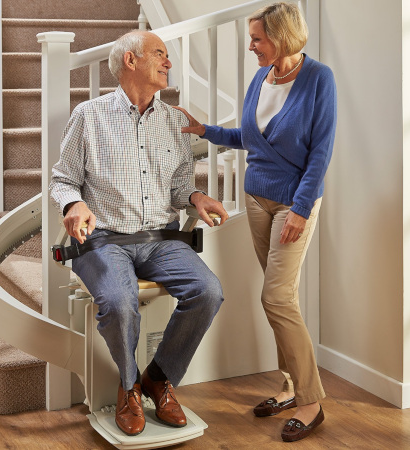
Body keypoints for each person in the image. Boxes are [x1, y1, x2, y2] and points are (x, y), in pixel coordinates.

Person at [49, 30, 229, 437]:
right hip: (104, 239)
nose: (168, 63)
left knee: (208, 291)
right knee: (118, 300)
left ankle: (159, 378)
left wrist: (197, 197)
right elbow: (62, 180)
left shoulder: (174, 121)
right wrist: (73, 204)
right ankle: (129, 385)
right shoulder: (89, 116)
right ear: (131, 61)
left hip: (159, 240)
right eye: (159, 55)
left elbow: (182, 182)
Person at [176, 2, 336, 443]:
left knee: (276, 298)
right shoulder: (260, 79)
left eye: (257, 39)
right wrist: (203, 129)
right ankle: (288, 386)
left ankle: (311, 401)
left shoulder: (318, 78)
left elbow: (320, 153)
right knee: (279, 299)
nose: (251, 47)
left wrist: (301, 209)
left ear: (282, 37)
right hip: (256, 199)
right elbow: (249, 139)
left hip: (293, 204)